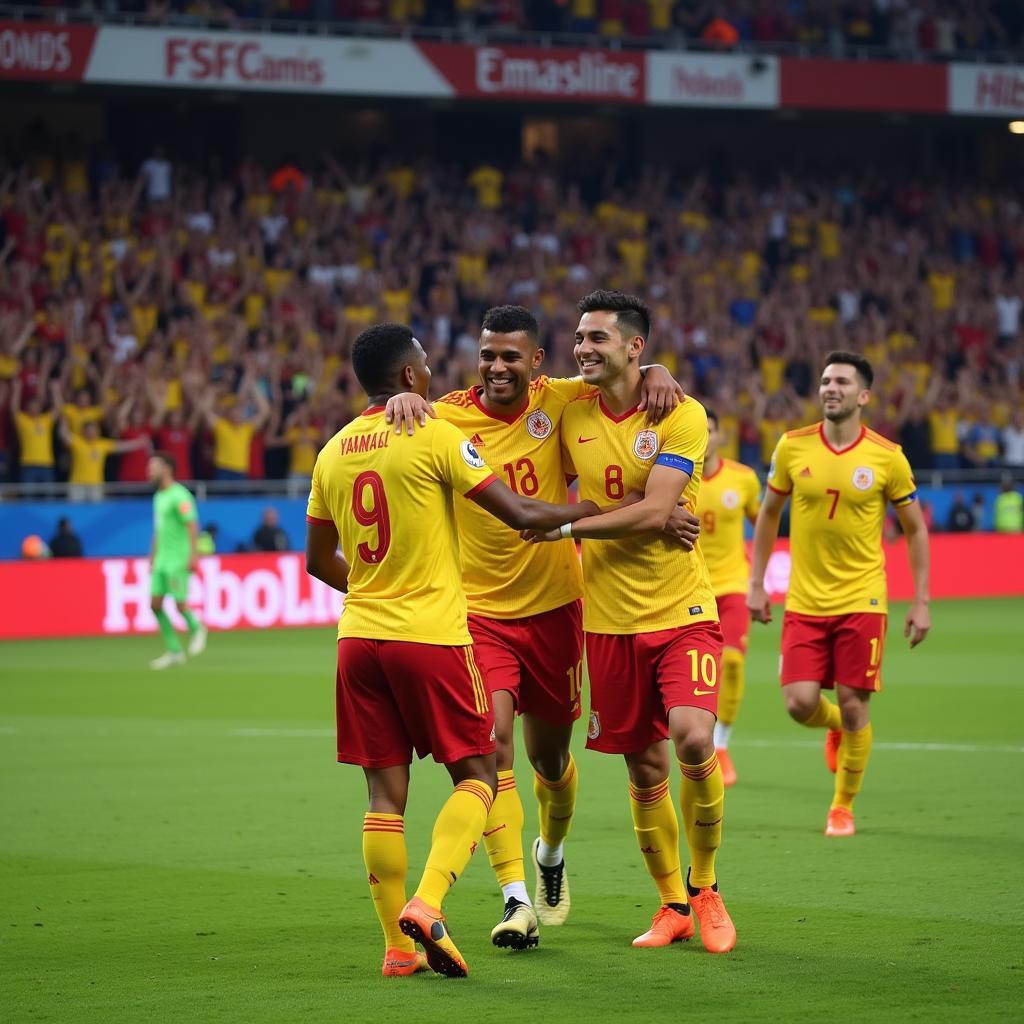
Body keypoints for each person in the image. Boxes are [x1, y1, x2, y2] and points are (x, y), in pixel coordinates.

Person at [384, 304, 694, 951]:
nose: (496, 367)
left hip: (556, 610)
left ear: (535, 364)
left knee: (549, 760)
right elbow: (389, 429)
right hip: (477, 616)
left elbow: (624, 381)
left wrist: (660, 368)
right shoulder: (443, 413)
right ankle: (516, 896)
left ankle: (550, 850)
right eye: (487, 354)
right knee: (492, 746)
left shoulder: (563, 401)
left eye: (510, 357)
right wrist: (401, 401)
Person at [304, 322, 603, 979]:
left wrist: (373, 589)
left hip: (358, 638)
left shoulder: (331, 452)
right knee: (480, 775)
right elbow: (523, 516)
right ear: (409, 377)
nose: (437, 377)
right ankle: (431, 901)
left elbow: (316, 561)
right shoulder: (439, 434)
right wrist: (603, 512)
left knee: (384, 799)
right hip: (434, 634)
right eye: (426, 368)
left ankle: (397, 949)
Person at [523, 291, 736, 955]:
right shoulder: (565, 402)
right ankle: (672, 902)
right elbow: (495, 388)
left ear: (635, 346)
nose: (584, 348)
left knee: (693, 739)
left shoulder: (682, 413)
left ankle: (706, 889)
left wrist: (563, 525)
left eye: (599, 339)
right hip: (608, 622)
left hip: (682, 610)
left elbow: (654, 512)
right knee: (644, 770)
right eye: (580, 338)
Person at [747, 351, 931, 839]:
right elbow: (767, 515)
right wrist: (757, 584)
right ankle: (834, 727)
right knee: (798, 703)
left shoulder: (887, 457)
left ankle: (842, 806)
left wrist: (921, 600)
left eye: (842, 382)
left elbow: (914, 529)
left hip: (863, 597)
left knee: (855, 702)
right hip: (805, 601)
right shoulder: (791, 447)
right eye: (826, 380)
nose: (831, 387)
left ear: (863, 396)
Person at [694, 408, 761, 787]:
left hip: (734, 584)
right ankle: (696, 740)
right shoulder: (676, 476)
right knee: (699, 670)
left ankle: (720, 745)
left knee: (732, 663)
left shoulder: (744, 479)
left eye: (710, 430)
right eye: (698, 430)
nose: (704, 437)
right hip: (691, 587)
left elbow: (762, 523)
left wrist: (760, 580)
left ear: (720, 436)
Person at [148, 451, 208, 670]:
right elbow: (158, 529)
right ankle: (174, 651)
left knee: (180, 604)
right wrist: (152, 556)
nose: (149, 471)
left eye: (153, 467)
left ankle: (197, 627)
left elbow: (192, 525)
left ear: (166, 469)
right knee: (154, 605)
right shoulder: (159, 497)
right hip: (162, 560)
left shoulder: (180, 495)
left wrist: (193, 555)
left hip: (177, 559)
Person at [59, 417, 150, 503]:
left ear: (97, 431)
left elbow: (121, 446)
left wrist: (139, 442)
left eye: (93, 429)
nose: (91, 432)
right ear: (83, 431)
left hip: (96, 485)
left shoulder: (102, 444)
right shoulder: (77, 442)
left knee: (96, 512)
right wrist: (63, 419)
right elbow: (64, 435)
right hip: (77, 484)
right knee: (75, 511)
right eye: (88, 430)